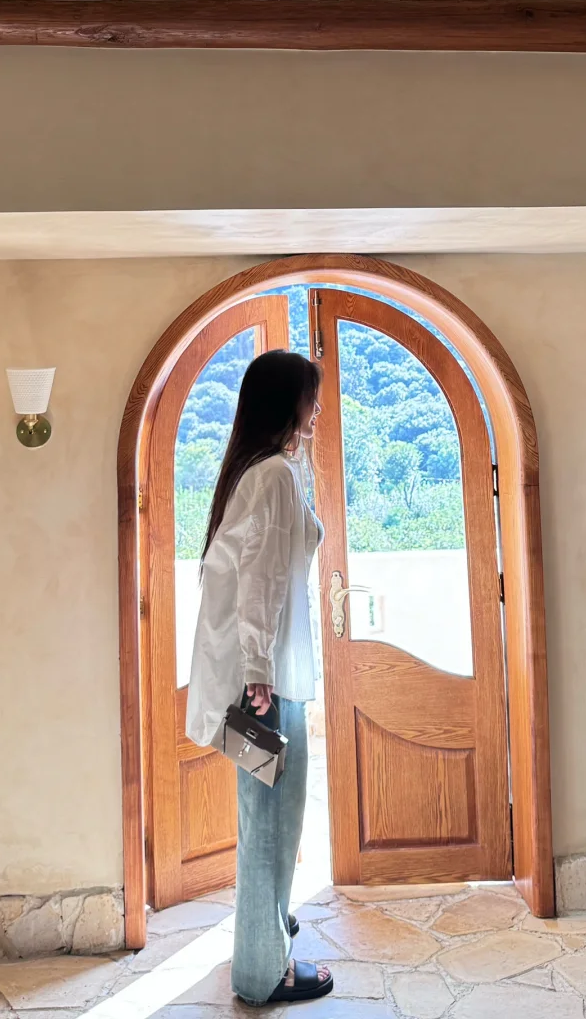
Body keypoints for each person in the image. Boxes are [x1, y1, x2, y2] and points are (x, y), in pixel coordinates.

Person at [186, 349, 333, 1005]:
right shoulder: (271, 475)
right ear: (287, 403)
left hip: (265, 674)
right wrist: (259, 674)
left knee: (268, 820)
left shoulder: (261, 470)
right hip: (266, 681)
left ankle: (267, 940)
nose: (317, 409)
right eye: (310, 397)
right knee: (271, 825)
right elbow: (262, 579)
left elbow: (262, 566)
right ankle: (261, 971)